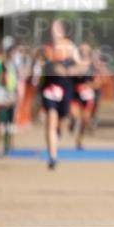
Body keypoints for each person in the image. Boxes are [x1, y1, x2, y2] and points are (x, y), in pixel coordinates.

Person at [39, 20, 88, 169]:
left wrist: (69, 71)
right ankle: (53, 157)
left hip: (66, 88)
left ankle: (57, 135)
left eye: (57, 29)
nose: (54, 32)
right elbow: (39, 65)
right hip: (49, 88)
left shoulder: (70, 47)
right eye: (52, 28)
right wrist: (47, 66)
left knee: (61, 121)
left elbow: (82, 66)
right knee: (51, 120)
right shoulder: (46, 48)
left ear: (62, 31)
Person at [70, 42, 97, 150]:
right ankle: (72, 121)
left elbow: (97, 82)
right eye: (82, 50)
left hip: (87, 94)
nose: (84, 52)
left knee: (85, 120)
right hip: (75, 93)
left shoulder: (93, 65)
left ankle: (79, 139)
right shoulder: (74, 63)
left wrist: (89, 85)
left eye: (86, 50)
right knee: (75, 115)